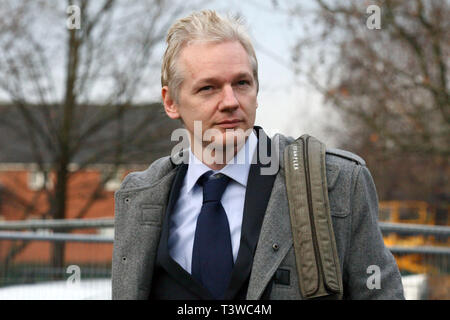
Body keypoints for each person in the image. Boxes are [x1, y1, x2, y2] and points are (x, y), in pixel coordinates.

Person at [112, 10, 404, 300]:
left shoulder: (337, 183)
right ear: (171, 102)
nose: (230, 102)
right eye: (208, 88)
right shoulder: (140, 195)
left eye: (241, 83)